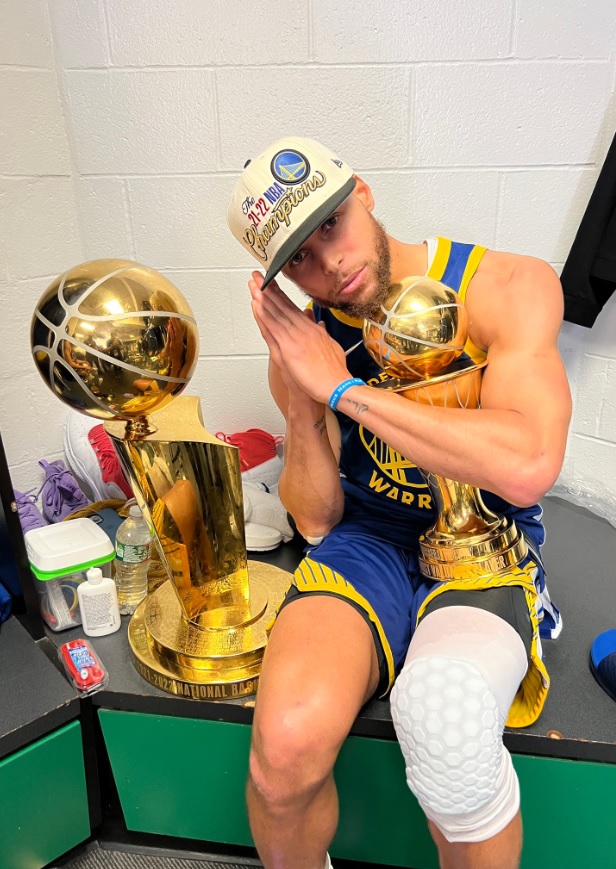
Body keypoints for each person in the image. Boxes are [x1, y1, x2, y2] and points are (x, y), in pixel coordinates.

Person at [227, 137, 572, 869]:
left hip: (485, 536)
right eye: (299, 260)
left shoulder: (507, 285)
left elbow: (527, 466)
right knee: (282, 747)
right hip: (370, 537)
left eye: (330, 225)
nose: (330, 265)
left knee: (441, 715)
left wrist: (345, 391)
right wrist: (300, 395)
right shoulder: (311, 340)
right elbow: (315, 519)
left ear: (365, 192)